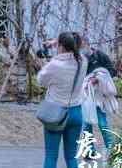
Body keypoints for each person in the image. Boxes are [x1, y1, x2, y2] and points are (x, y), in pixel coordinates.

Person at [37, 32, 88, 168]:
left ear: (61, 46)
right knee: (71, 157)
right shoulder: (83, 61)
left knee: (51, 157)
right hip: (76, 112)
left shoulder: (55, 64)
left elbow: (41, 80)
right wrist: (61, 45)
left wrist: (56, 53)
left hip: (56, 114)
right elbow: (76, 50)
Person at [81, 37, 117, 157]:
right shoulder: (80, 59)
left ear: (87, 44)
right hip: (85, 95)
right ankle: (89, 151)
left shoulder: (100, 55)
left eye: (82, 46)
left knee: (102, 123)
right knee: (86, 124)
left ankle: (111, 149)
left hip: (99, 96)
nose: (81, 49)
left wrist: (99, 78)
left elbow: (112, 70)